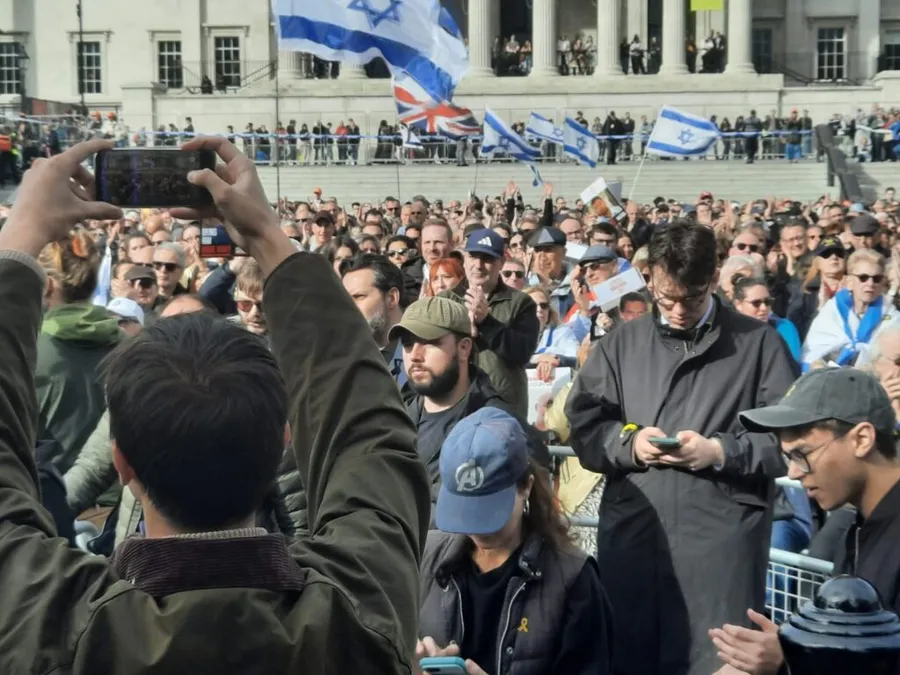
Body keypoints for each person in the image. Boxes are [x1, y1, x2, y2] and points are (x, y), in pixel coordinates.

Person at [0, 136, 430, 672]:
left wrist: (21, 236)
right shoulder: (358, 605)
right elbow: (369, 436)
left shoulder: (53, 624)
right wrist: (268, 237)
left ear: (122, 463)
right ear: (281, 442)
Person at [565, 220, 798, 675]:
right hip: (636, 539)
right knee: (630, 659)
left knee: (717, 661)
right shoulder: (621, 343)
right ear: (648, 278)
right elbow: (585, 426)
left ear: (713, 279)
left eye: (690, 298)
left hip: (721, 550)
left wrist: (720, 452)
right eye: (665, 297)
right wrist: (631, 443)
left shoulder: (759, 345)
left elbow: (790, 440)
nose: (676, 311)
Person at [712, 368, 900, 675]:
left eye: (802, 453)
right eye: (789, 458)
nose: (794, 473)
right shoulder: (857, 530)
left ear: (862, 439)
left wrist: (791, 660)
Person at [417, 407, 613, 675]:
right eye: (466, 510)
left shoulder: (573, 579)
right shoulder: (426, 558)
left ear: (526, 487)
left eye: (489, 510)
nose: (477, 528)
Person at [36, 231, 122, 473]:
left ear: (47, 284)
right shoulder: (130, 345)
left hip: (44, 488)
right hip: (112, 486)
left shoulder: (27, 348)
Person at [440, 229, 539, 419]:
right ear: (464, 259)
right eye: (473, 257)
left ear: (501, 262)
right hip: (453, 404)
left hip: (502, 406)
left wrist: (486, 322)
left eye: (487, 259)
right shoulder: (445, 300)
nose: (478, 265)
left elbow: (523, 353)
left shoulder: (520, 302)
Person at [802, 249, 895, 369]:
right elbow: (811, 354)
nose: (870, 283)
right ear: (849, 282)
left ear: (882, 284)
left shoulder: (893, 317)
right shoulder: (831, 311)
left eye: (876, 279)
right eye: (863, 278)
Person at [342, 253, 408, 388]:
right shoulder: (343, 357)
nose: (349, 307)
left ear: (392, 298)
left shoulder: (421, 354)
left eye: (359, 296)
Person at [732, 276, 802, 363]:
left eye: (768, 301)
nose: (764, 308)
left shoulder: (783, 327)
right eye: (756, 303)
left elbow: (791, 363)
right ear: (738, 304)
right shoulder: (728, 334)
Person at [523, 285, 579, 381]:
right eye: (532, 305)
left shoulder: (563, 332)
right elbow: (508, 361)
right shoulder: (510, 334)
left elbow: (577, 359)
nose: (539, 309)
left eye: (543, 306)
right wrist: (539, 358)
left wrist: (556, 359)